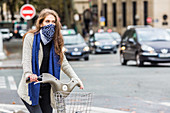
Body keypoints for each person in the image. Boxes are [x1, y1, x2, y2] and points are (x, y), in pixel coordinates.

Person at [17, 8, 84, 113]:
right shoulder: (30, 38)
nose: (51, 24)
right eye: (47, 21)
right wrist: (29, 74)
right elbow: (26, 60)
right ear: (41, 23)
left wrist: (75, 78)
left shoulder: (56, 41)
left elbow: (64, 63)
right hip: (31, 88)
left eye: (53, 22)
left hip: (48, 89)